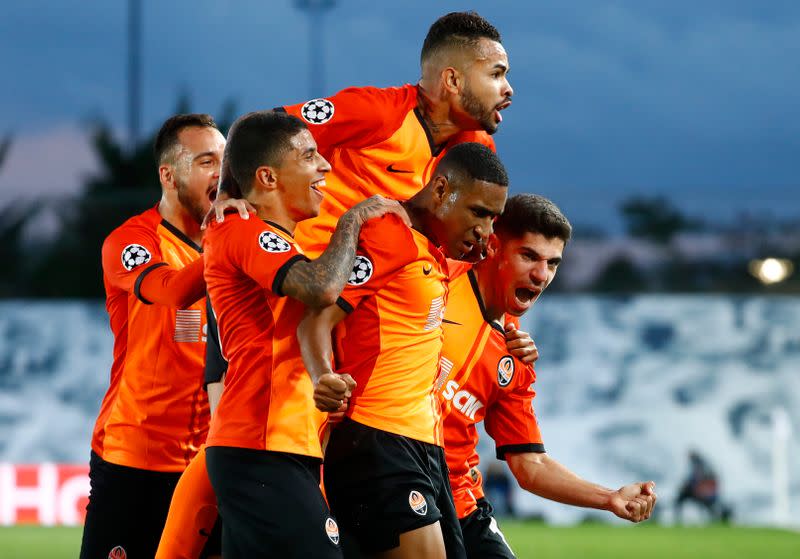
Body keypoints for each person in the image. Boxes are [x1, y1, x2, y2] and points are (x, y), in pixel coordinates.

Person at [202, 110, 407, 558]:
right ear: (268, 178)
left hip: (275, 444)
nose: (326, 166)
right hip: (261, 444)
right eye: (309, 156)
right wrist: (352, 221)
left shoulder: (267, 237)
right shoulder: (243, 231)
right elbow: (319, 288)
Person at [298, 142, 508, 559]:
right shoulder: (390, 234)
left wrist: (509, 332)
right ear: (441, 189)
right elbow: (316, 321)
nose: (486, 230)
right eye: (479, 213)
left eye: (493, 218)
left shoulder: (437, 250)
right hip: (377, 439)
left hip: (425, 448)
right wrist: (324, 377)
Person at [438, 194, 658, 558]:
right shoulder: (432, 283)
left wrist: (609, 498)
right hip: (395, 481)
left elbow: (530, 466)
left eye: (552, 263)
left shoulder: (515, 356)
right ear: (493, 246)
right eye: (529, 256)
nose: (541, 275)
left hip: (461, 500)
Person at [80, 114, 238, 559]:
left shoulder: (231, 241)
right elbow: (170, 291)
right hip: (135, 457)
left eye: (225, 161)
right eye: (207, 161)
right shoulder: (132, 241)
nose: (222, 174)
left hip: (206, 461)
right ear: (168, 175)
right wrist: (228, 247)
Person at [675, 450, 729, 523]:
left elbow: (695, 480)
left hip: (702, 492)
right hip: (703, 492)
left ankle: (678, 518)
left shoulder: (699, 467)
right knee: (710, 507)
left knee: (710, 507)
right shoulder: (703, 466)